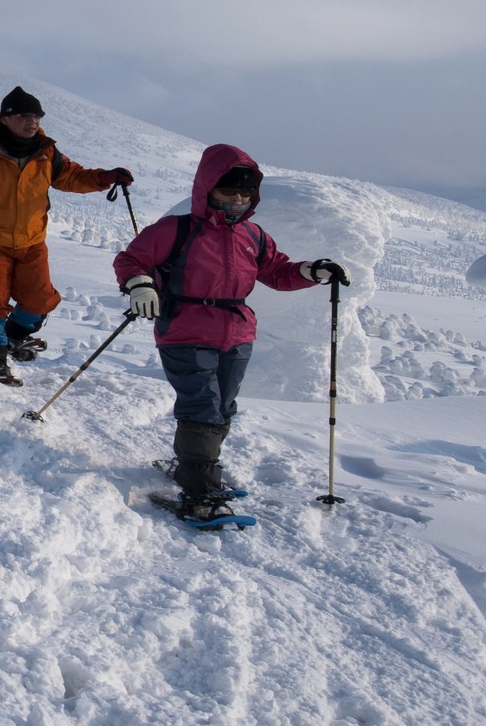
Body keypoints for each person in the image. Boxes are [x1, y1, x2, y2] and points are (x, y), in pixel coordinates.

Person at [113, 144, 349, 523]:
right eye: (228, 192)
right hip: (185, 328)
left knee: (222, 406)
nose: (238, 200)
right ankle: (199, 490)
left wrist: (311, 271)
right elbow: (131, 259)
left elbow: (277, 272)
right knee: (202, 405)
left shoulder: (253, 236)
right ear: (208, 188)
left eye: (245, 193)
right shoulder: (176, 230)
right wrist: (140, 284)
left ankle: (194, 466)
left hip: (237, 332)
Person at [0, 87, 133, 385]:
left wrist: (105, 178)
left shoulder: (46, 153)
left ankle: (12, 337)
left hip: (31, 241)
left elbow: (74, 177)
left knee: (41, 298)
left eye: (37, 116)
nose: (33, 122)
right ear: (6, 119)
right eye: (25, 116)